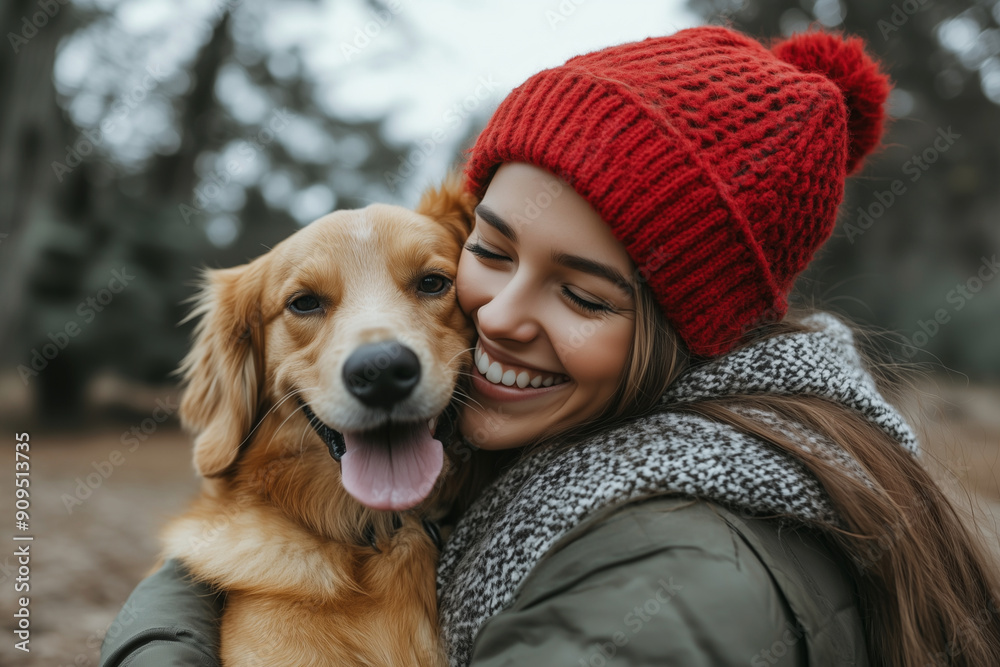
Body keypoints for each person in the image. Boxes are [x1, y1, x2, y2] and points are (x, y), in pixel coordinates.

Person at [101, 25, 1000, 667]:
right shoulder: (546, 462)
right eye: (486, 254)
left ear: (689, 331)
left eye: (583, 293)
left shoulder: (661, 572)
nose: (494, 319)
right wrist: (201, 586)